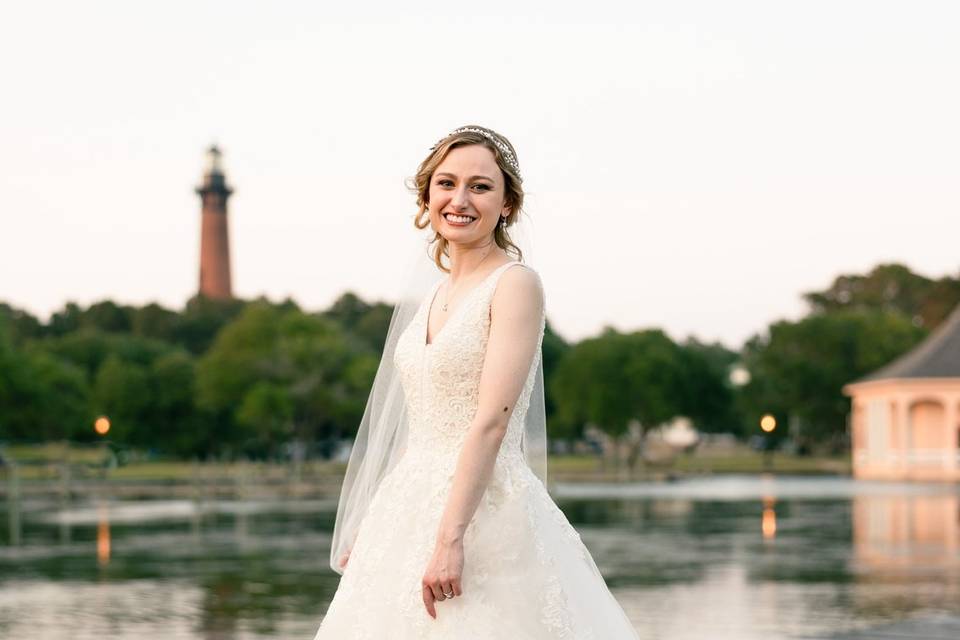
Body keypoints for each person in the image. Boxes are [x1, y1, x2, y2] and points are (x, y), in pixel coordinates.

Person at [313, 125, 640, 639]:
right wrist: (376, 525)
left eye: (480, 186)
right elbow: (418, 421)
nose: (459, 199)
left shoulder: (515, 285)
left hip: (481, 514)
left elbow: (490, 421)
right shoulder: (434, 295)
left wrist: (450, 539)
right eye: (446, 184)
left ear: (507, 203)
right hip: (407, 507)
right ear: (427, 197)